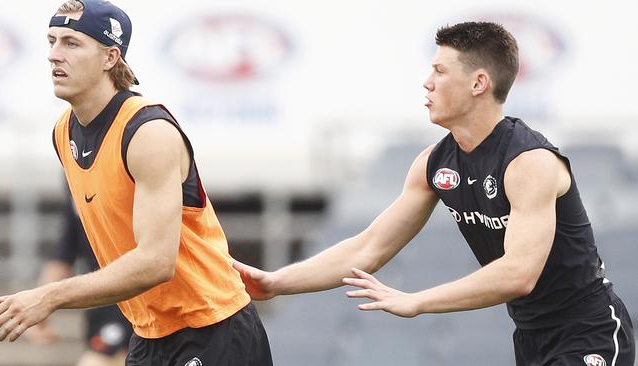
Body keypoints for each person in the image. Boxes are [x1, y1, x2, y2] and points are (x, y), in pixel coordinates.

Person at [233, 22, 636, 365]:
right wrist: (276, 282)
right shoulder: (434, 165)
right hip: (531, 337)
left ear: (479, 83)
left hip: (590, 331)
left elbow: (519, 274)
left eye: (440, 71)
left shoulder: (529, 162)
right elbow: (367, 248)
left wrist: (417, 301)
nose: (427, 82)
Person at [0, 1, 272, 365]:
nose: (53, 55)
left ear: (110, 57)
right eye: (51, 41)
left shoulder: (147, 132)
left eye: (72, 43)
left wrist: (50, 296)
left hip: (211, 325)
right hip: (147, 331)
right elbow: (83, 230)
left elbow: (156, 262)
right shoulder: (64, 132)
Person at [27, 187, 132, 366]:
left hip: (139, 292)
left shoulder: (126, 164)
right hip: (104, 302)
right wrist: (40, 305)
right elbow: (65, 250)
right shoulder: (73, 171)